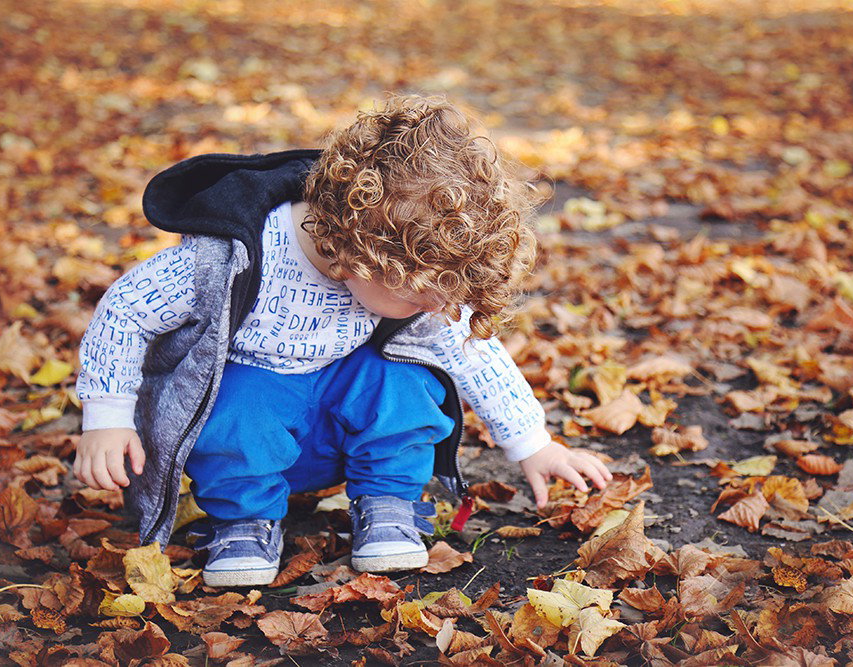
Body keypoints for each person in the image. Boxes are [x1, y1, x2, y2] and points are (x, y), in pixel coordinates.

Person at [74, 93, 611, 587]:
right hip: (252, 423)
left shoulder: (414, 277)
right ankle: (243, 521)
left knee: (401, 383)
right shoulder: (235, 254)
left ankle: (388, 504)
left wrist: (533, 444)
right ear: (358, 254)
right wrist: (108, 417)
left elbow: (473, 352)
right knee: (237, 403)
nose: (439, 311)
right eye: (421, 298)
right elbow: (126, 310)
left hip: (336, 415)